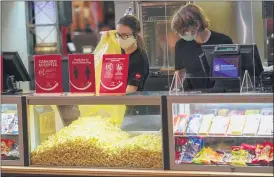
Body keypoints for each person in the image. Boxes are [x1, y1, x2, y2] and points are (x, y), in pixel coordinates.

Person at [171, 3, 233, 91]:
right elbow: (180, 72)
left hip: (219, 96)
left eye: (184, 31)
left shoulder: (223, 41)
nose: (181, 35)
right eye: (179, 32)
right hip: (192, 96)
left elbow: (228, 75)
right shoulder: (181, 45)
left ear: (197, 24)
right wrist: (175, 91)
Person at [115, 15, 149, 93]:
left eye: (124, 35)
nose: (120, 39)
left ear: (135, 35)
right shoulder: (122, 52)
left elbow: (130, 92)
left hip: (133, 103)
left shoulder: (138, 59)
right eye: (118, 35)